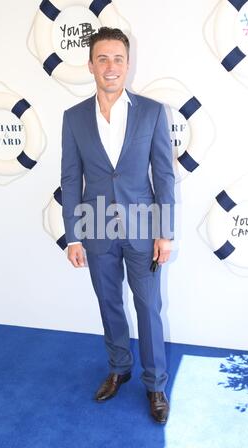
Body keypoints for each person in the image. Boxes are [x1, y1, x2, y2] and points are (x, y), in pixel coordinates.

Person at [61, 27, 175, 424]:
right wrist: (73, 235)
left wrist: (165, 232)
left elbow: (164, 176)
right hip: (95, 227)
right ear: (91, 65)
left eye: (118, 59)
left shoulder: (152, 112)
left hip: (143, 225)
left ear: (128, 64)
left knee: (148, 307)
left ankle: (156, 383)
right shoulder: (73, 117)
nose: (111, 67)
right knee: (109, 303)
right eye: (103, 59)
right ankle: (119, 367)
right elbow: (70, 179)